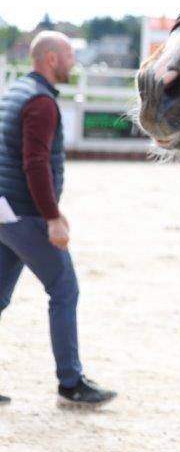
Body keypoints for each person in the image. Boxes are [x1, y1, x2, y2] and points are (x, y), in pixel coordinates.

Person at [0, 31, 117, 408]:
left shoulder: (16, 92)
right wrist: (51, 217)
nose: (73, 62)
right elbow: (35, 164)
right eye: (68, 55)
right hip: (25, 214)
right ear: (51, 58)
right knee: (64, 288)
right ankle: (71, 383)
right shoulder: (41, 102)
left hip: (4, 210)